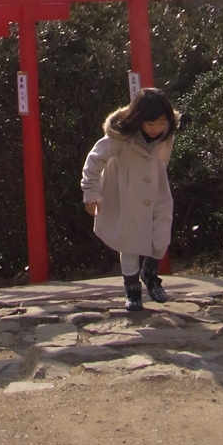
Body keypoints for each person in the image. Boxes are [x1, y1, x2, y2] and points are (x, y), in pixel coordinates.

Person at [81, 86, 180, 312]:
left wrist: (157, 171)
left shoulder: (166, 133)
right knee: (129, 243)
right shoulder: (119, 137)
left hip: (156, 191)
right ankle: (132, 289)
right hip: (125, 194)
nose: (157, 129)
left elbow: (163, 158)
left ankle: (150, 272)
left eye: (162, 122)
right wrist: (91, 194)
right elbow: (94, 161)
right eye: (151, 123)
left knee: (161, 237)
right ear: (139, 119)